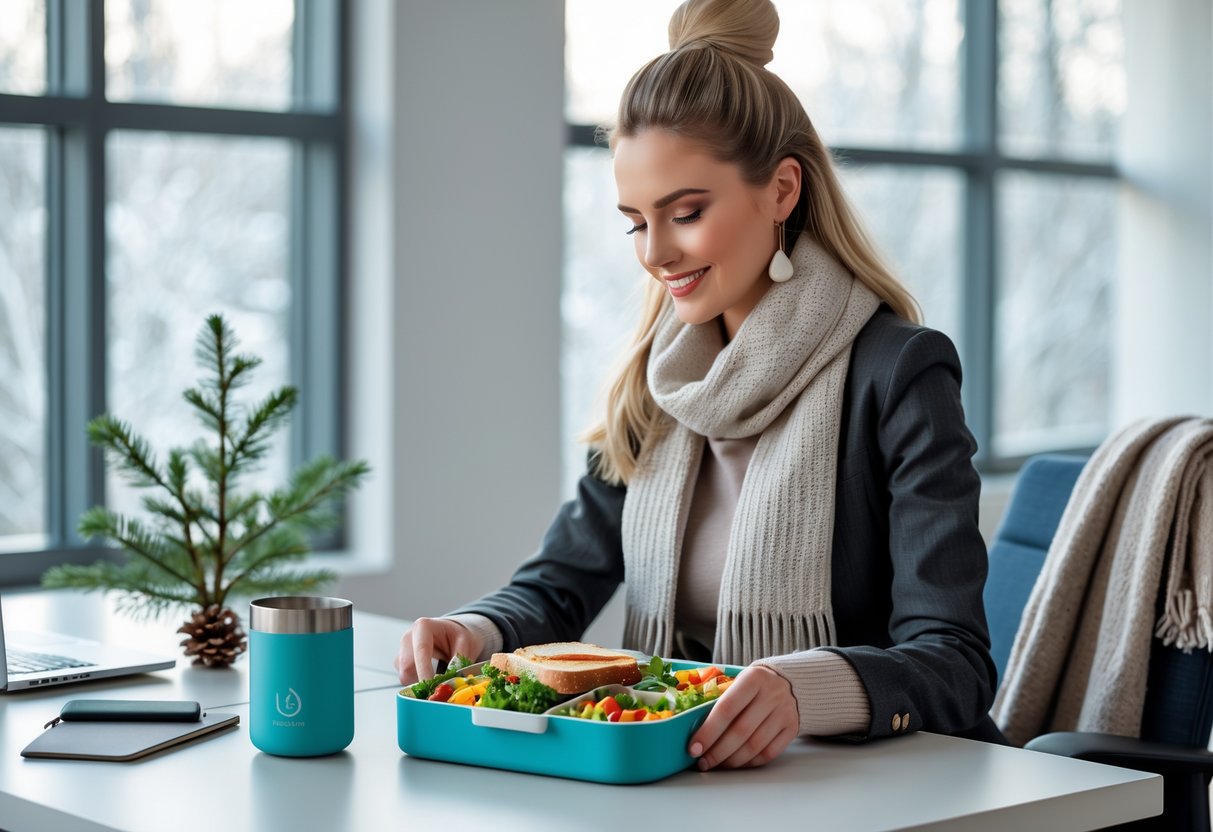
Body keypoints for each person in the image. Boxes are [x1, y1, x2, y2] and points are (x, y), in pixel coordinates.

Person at [396, 0, 1002, 770]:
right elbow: (558, 585)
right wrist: (475, 631)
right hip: (690, 774)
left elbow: (954, 665)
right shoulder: (658, 383)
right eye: (635, 221)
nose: (654, 252)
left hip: (872, 784)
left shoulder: (899, 371)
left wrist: (799, 689)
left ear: (782, 190)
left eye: (684, 212)